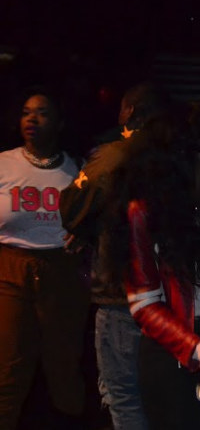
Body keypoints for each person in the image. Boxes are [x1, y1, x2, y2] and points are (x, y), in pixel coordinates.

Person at [113, 115, 200, 429]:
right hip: (178, 348)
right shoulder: (145, 211)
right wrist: (197, 348)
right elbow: (144, 304)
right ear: (192, 151)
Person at [60, 82, 172, 430]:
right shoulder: (180, 153)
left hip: (123, 298)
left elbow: (73, 206)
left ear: (130, 111)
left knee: (123, 397)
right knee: (164, 400)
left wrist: (84, 224)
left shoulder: (115, 155)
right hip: (172, 299)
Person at [0, 89, 89, 429]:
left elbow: (92, 220)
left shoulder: (78, 170)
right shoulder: (4, 163)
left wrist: (85, 236)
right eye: (26, 112)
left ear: (61, 123)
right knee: (8, 364)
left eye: (42, 113)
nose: (32, 120)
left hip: (61, 271)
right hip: (10, 268)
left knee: (63, 363)